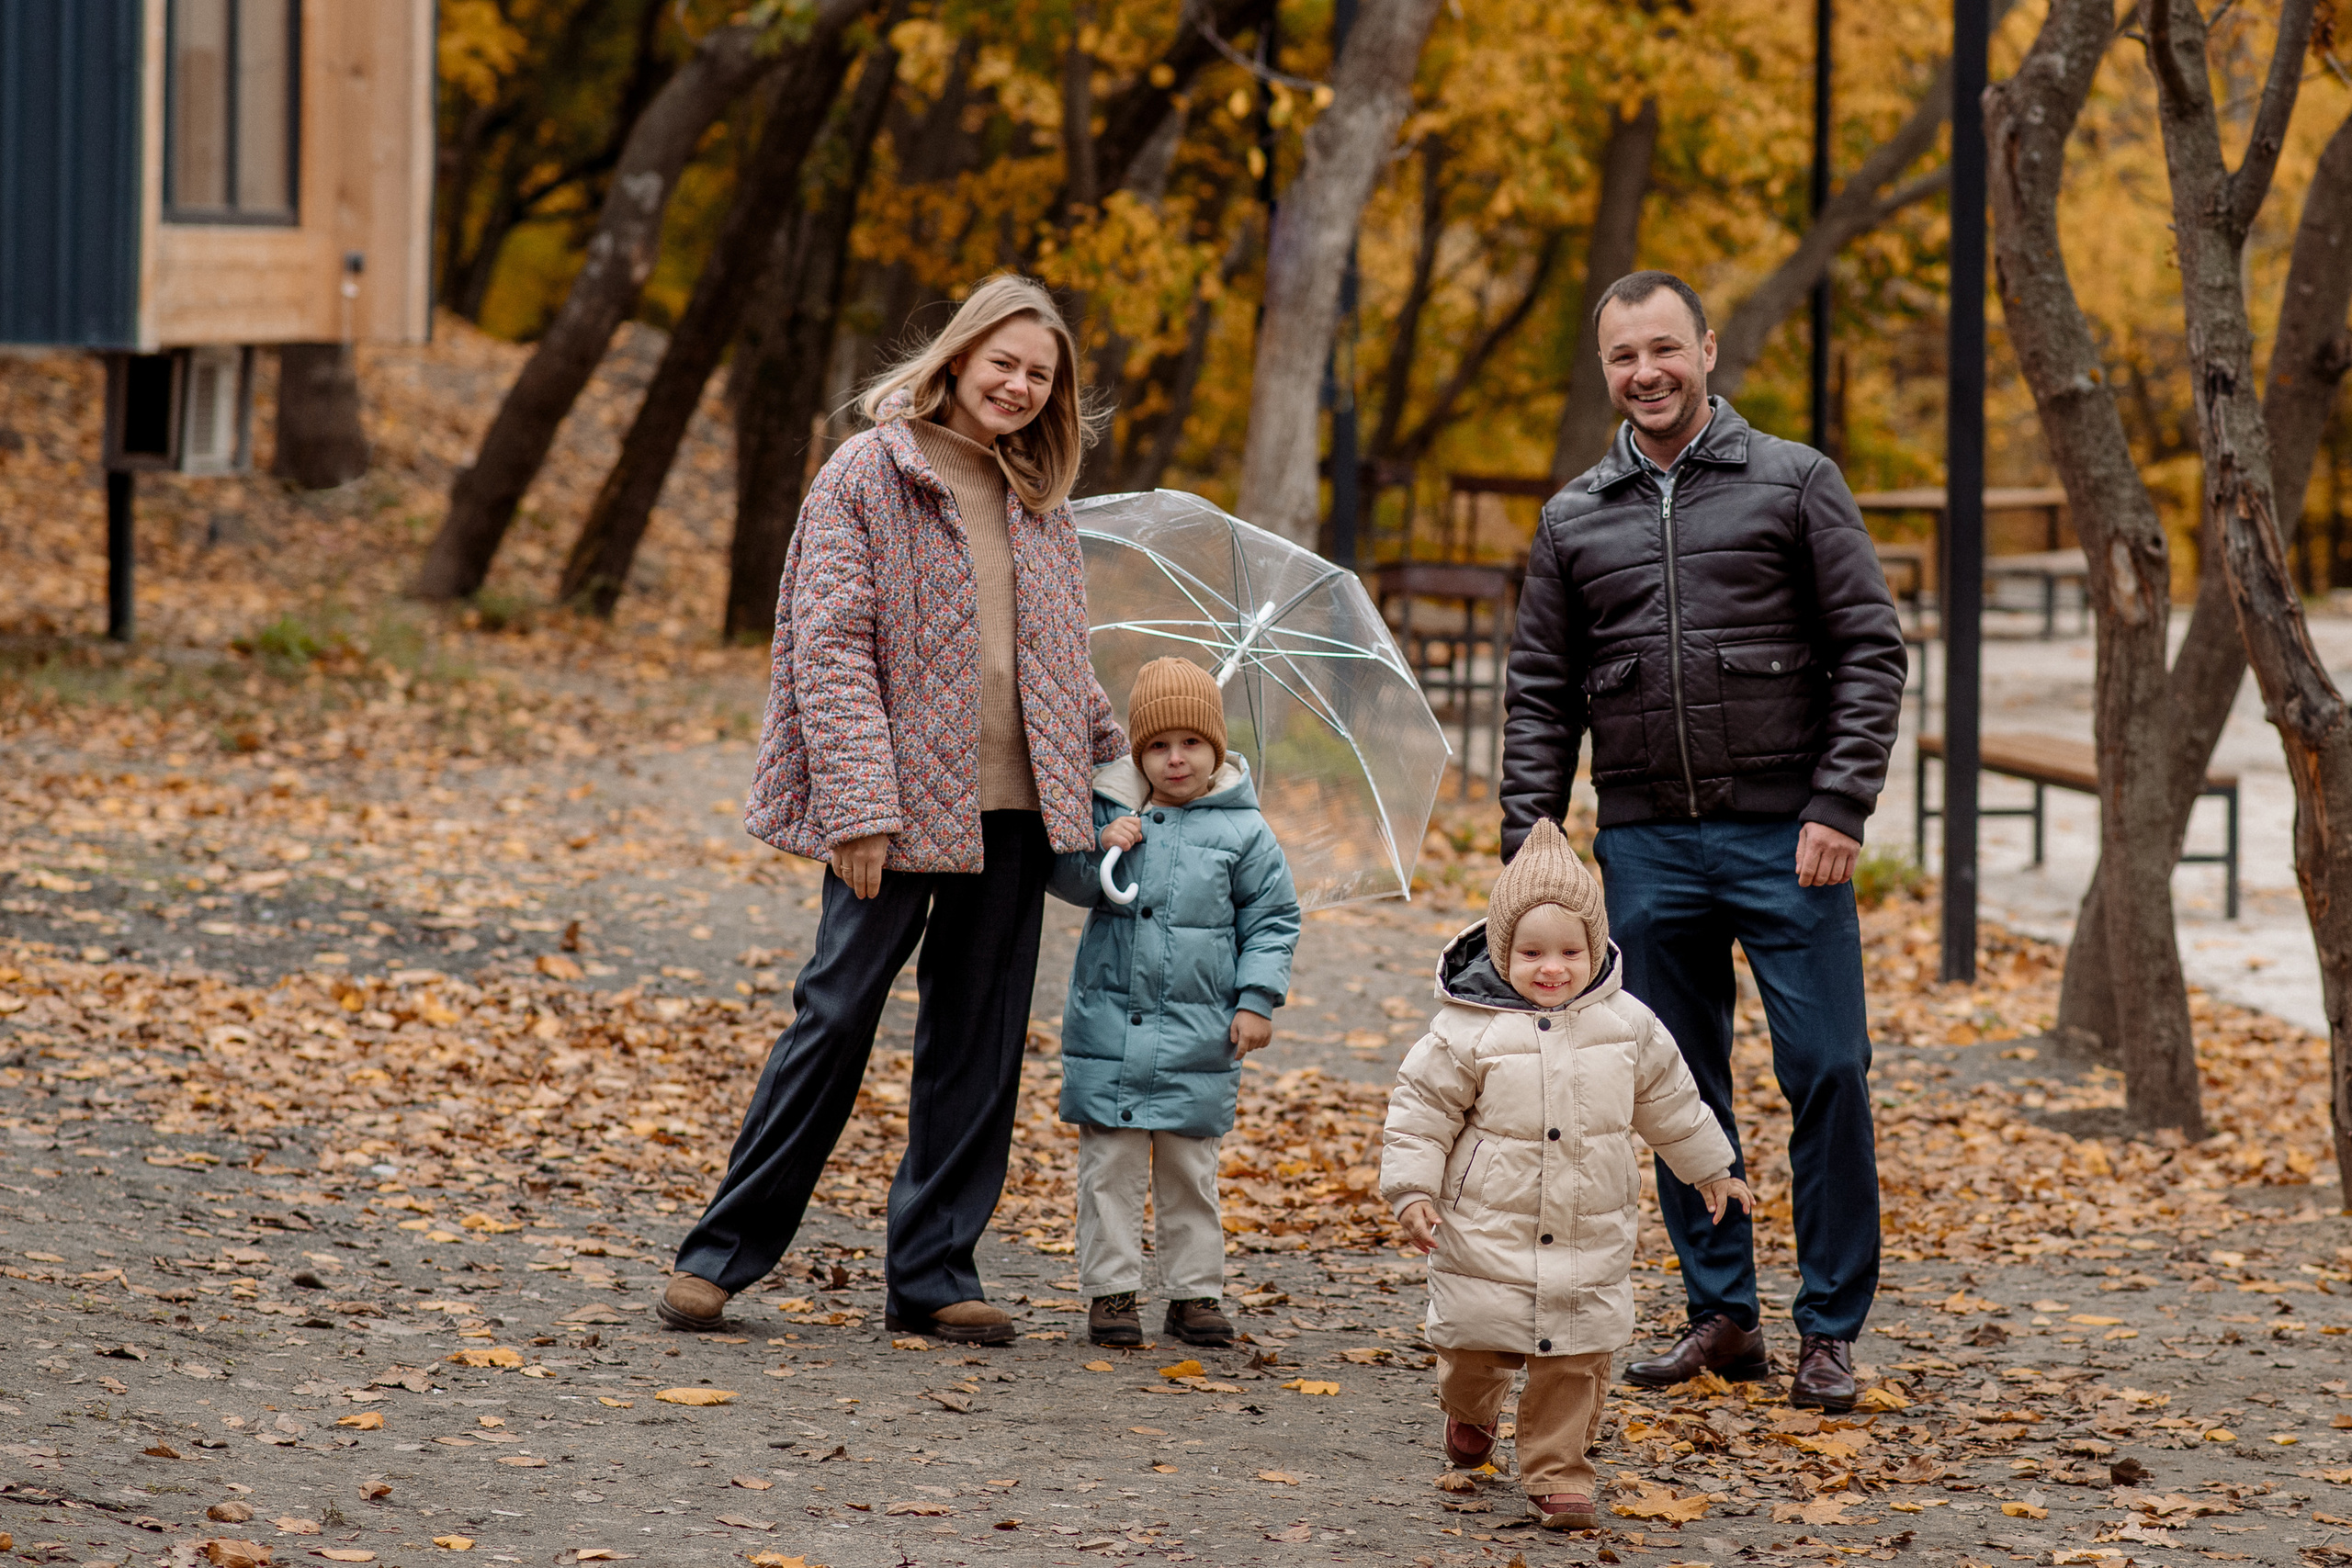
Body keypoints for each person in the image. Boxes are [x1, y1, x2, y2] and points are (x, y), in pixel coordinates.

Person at [658, 275, 1126, 1346]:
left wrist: (1120, 770)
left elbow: (1056, 666)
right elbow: (827, 645)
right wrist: (858, 806)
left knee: (980, 1041)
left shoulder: (1038, 502)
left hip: (1017, 815)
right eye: (1002, 362)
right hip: (898, 807)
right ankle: (719, 1256)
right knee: (833, 1020)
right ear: (957, 358)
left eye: (1038, 374)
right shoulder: (870, 473)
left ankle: (933, 1272)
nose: (1017, 384)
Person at [1499, 270, 1907, 1410]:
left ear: (1708, 350)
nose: (1646, 372)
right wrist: (1532, 838)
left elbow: (1869, 652)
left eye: (1664, 348)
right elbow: (1540, 690)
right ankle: (1721, 1315)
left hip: (1788, 839)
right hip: (1644, 849)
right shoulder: (1574, 515)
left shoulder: (1795, 482)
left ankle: (1829, 1329)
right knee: (1674, 1088)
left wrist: (1838, 804)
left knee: (1827, 1070)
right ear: (1606, 371)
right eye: (1624, 356)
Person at [1384, 818, 1747, 1529]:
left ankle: (1558, 1473)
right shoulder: (1467, 1027)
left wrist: (1710, 1164)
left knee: (1573, 1356)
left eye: (1569, 951)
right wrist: (1412, 1189)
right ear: (1501, 949)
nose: (1552, 967)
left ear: (1595, 948)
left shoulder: (1629, 1023)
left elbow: (1670, 1097)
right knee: (1474, 1341)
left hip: (1588, 1226)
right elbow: (1421, 1108)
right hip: (1488, 1226)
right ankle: (1469, 1407)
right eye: (1531, 952)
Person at [1047, 657, 1301, 1349]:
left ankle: (1195, 1292)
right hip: (1112, 1024)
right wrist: (1101, 846)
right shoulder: (1115, 807)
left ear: (1216, 748)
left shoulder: (1243, 830)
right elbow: (1067, 877)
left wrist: (1257, 998)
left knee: (1191, 1167)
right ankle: (1112, 1290)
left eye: (1191, 743)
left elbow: (1274, 918)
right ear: (1139, 752)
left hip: (1200, 1030)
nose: (1175, 758)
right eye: (1158, 745)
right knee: (1111, 1165)